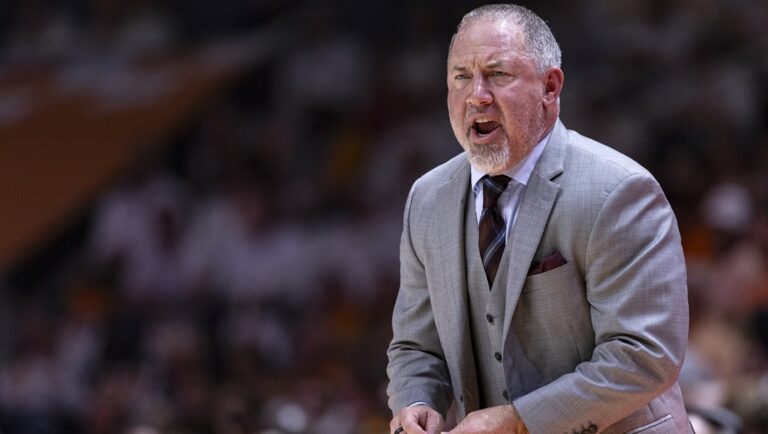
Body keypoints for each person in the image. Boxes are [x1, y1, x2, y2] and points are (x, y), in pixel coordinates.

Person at [386, 4, 691, 434]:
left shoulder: (619, 191)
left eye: (498, 74)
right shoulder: (427, 198)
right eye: (461, 77)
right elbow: (416, 345)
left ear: (550, 87)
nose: (476, 95)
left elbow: (643, 356)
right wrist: (417, 401)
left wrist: (518, 421)